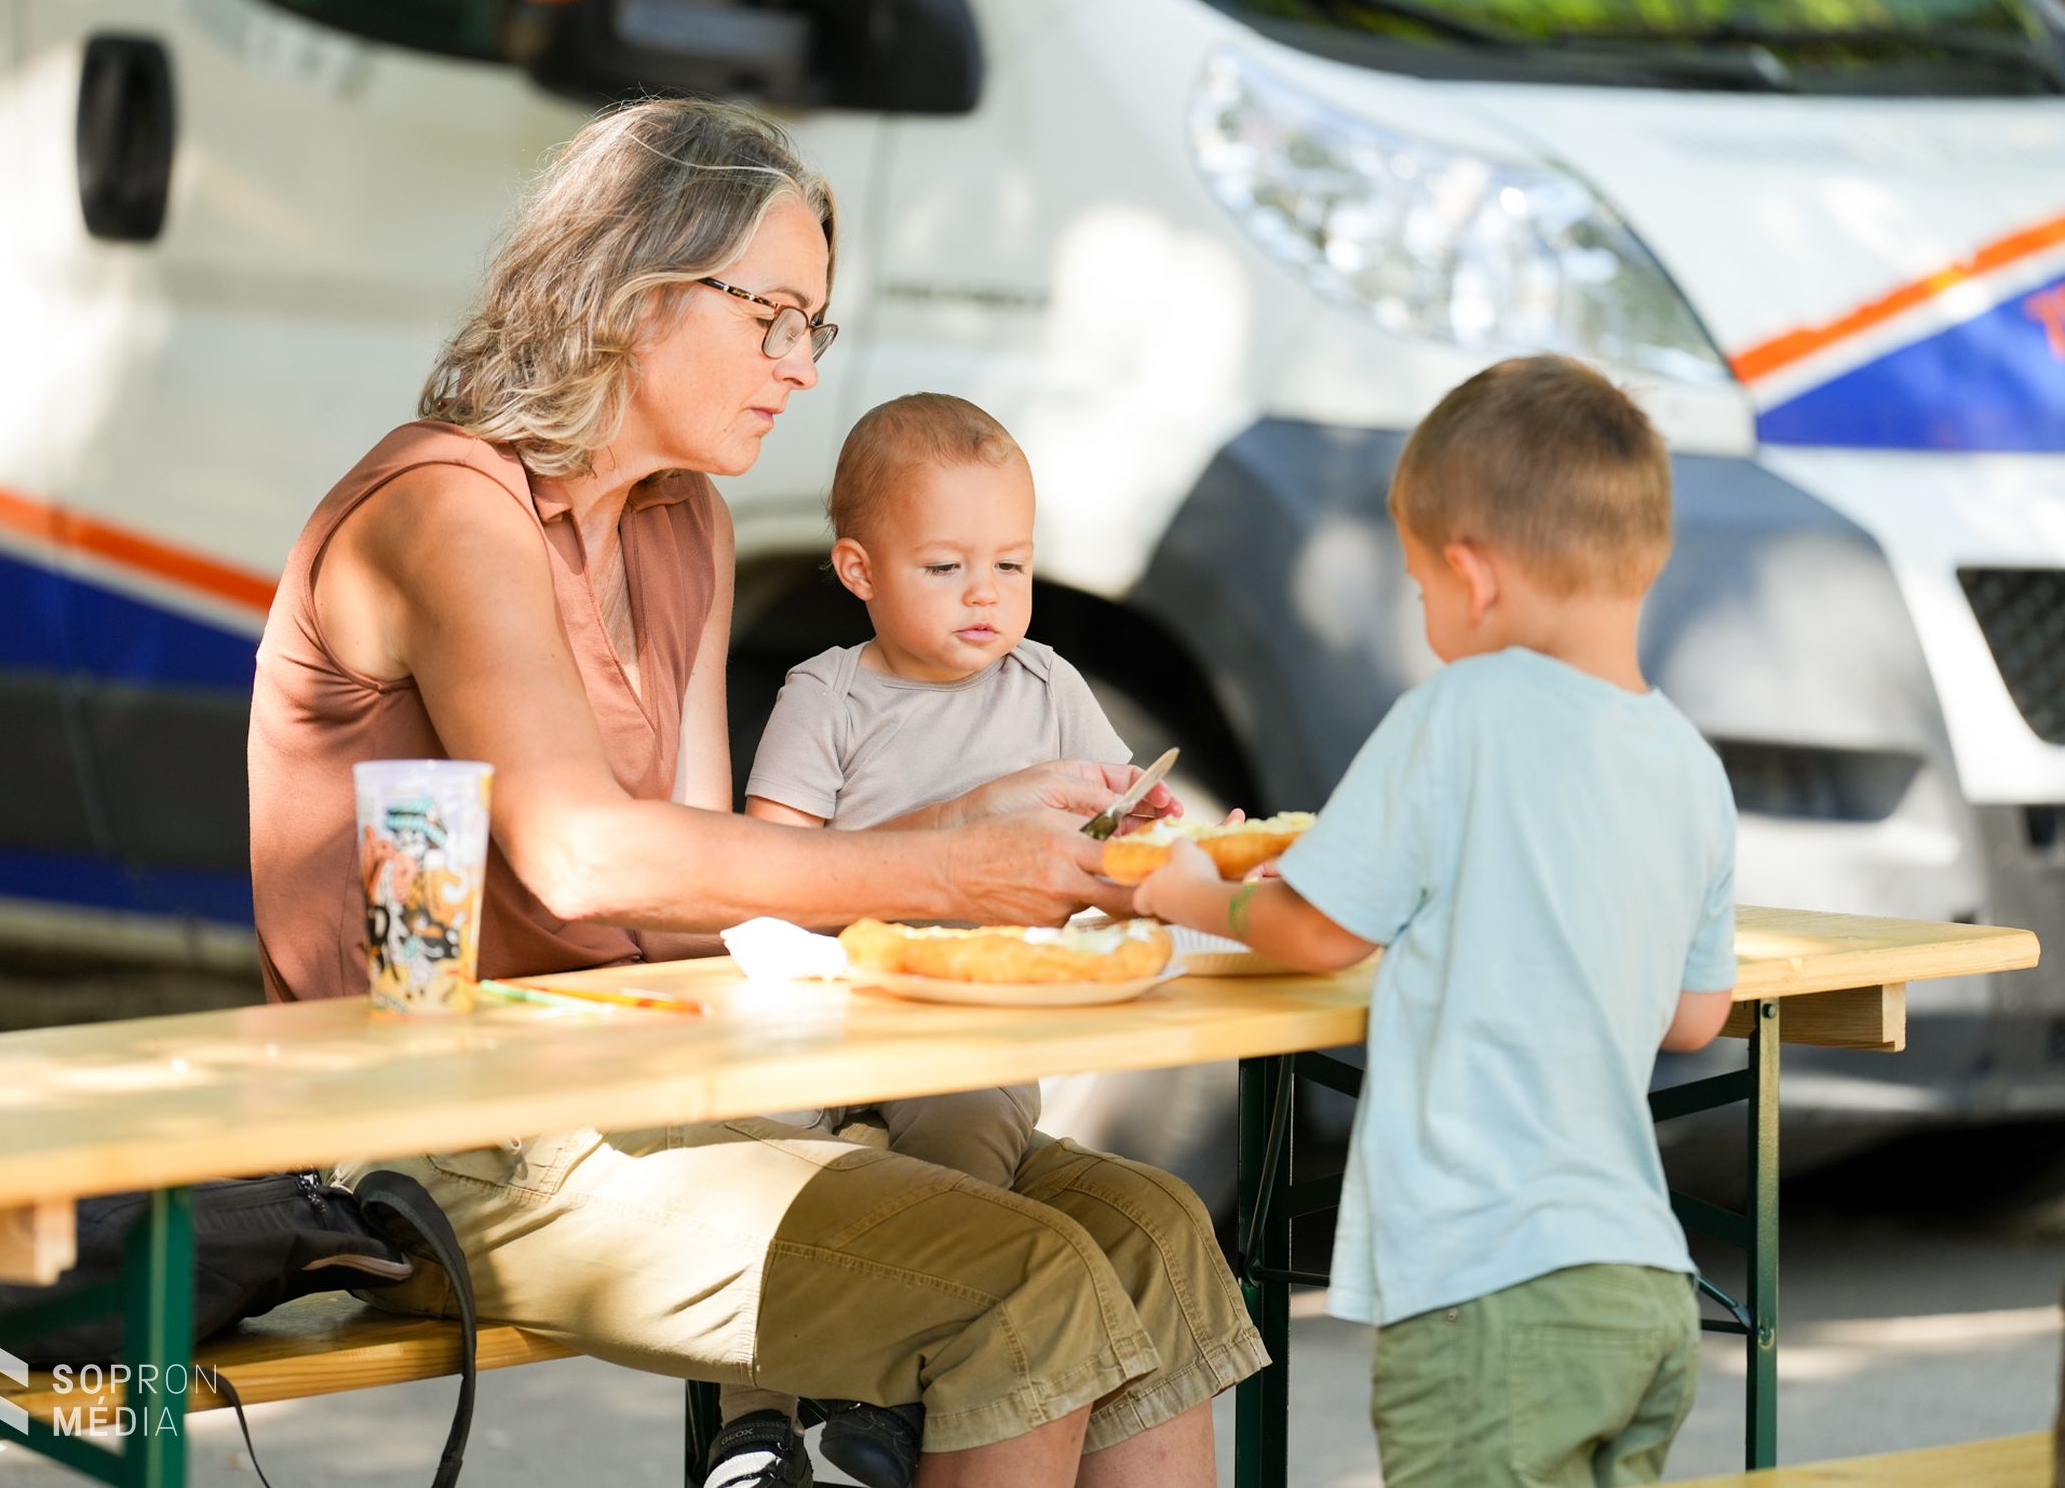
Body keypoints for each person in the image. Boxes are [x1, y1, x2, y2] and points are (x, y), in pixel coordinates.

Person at [246, 97, 1267, 1488]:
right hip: (463, 1135)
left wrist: (973, 831)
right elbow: (584, 859)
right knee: (1018, 1283)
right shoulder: (448, 509)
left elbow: (703, 892)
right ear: (630, 283)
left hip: (668, 1086)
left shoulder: (683, 518)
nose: (799, 366)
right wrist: (953, 870)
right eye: (771, 315)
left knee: (1155, 1235)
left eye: (815, 327)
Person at [1134, 355, 1738, 1487]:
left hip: (1489, 1288)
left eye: (1418, 586)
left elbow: (1319, 929)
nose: (1424, 614)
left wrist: (1173, 885)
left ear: (1473, 574)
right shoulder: (1689, 764)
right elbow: (1696, 1015)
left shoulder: (1462, 710)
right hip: (1646, 1285)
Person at [723, 393, 1132, 1484]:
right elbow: (771, 875)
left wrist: (1177, 854)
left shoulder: (1051, 687)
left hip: (964, 1019)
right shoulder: (830, 694)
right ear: (860, 570)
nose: (985, 595)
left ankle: (889, 1395)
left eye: (1010, 563)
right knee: (750, 1152)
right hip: (826, 1010)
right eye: (945, 568)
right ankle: (750, 1420)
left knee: (975, 1127)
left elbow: (1126, 828)